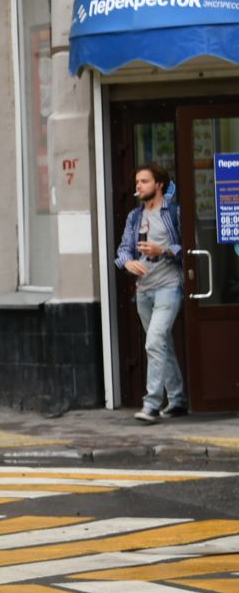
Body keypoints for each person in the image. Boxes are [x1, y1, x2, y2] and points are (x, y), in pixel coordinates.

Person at [115, 164, 187, 423]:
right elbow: (123, 250)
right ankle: (177, 400)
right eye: (137, 182)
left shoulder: (174, 213)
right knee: (162, 345)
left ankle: (152, 405)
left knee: (154, 342)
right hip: (144, 291)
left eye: (144, 181)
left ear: (159, 185)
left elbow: (187, 247)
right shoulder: (135, 217)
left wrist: (163, 251)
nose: (138, 186)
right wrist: (127, 263)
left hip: (169, 287)